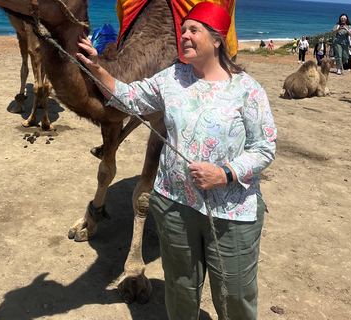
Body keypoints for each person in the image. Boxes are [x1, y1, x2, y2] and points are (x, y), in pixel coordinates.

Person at [76, 2, 277, 319]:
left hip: (231, 213)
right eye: (183, 29)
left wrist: (225, 174)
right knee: (181, 292)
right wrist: (97, 68)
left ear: (216, 40)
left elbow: (264, 147)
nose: (183, 35)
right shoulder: (171, 78)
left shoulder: (247, 90)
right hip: (175, 207)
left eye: (193, 30)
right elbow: (129, 97)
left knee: (234, 297)